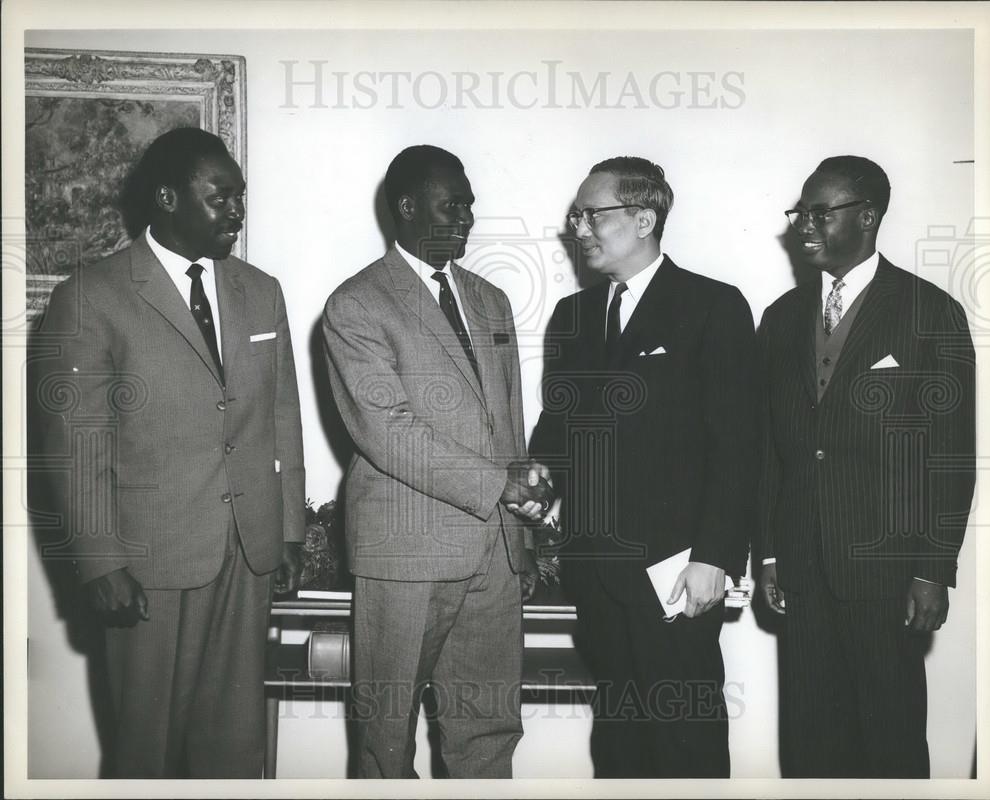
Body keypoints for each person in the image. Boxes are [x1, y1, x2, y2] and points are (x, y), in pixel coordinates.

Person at [36, 127, 305, 778]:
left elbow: (282, 416)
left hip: (247, 556)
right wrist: (100, 563)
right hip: (147, 563)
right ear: (165, 199)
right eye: (220, 197)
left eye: (240, 197)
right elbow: (77, 445)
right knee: (145, 753)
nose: (237, 212)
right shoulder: (90, 296)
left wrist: (290, 529)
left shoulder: (261, 291)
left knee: (235, 750)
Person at [322, 144, 552, 778]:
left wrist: (521, 540)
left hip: (493, 559)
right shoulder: (357, 305)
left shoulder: (491, 299)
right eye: (453, 204)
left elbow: (507, 422)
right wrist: (498, 486)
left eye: (471, 205)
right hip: (405, 553)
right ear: (406, 206)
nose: (467, 218)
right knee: (385, 741)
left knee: (490, 733)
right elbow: (387, 430)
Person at [530, 156, 759, 777]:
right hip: (596, 575)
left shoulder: (713, 305)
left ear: (643, 218)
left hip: (676, 577)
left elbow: (737, 444)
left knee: (684, 742)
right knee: (620, 746)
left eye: (591, 214)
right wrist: (538, 476)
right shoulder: (573, 319)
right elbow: (558, 432)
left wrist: (715, 556)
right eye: (575, 215)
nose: (578, 227)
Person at [757, 155, 976, 777]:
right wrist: (770, 552)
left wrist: (934, 569)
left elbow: (952, 455)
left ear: (868, 216)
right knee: (809, 748)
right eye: (799, 211)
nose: (802, 225)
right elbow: (771, 450)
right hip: (801, 572)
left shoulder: (929, 312)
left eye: (820, 212)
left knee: (891, 745)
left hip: (889, 574)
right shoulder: (778, 319)